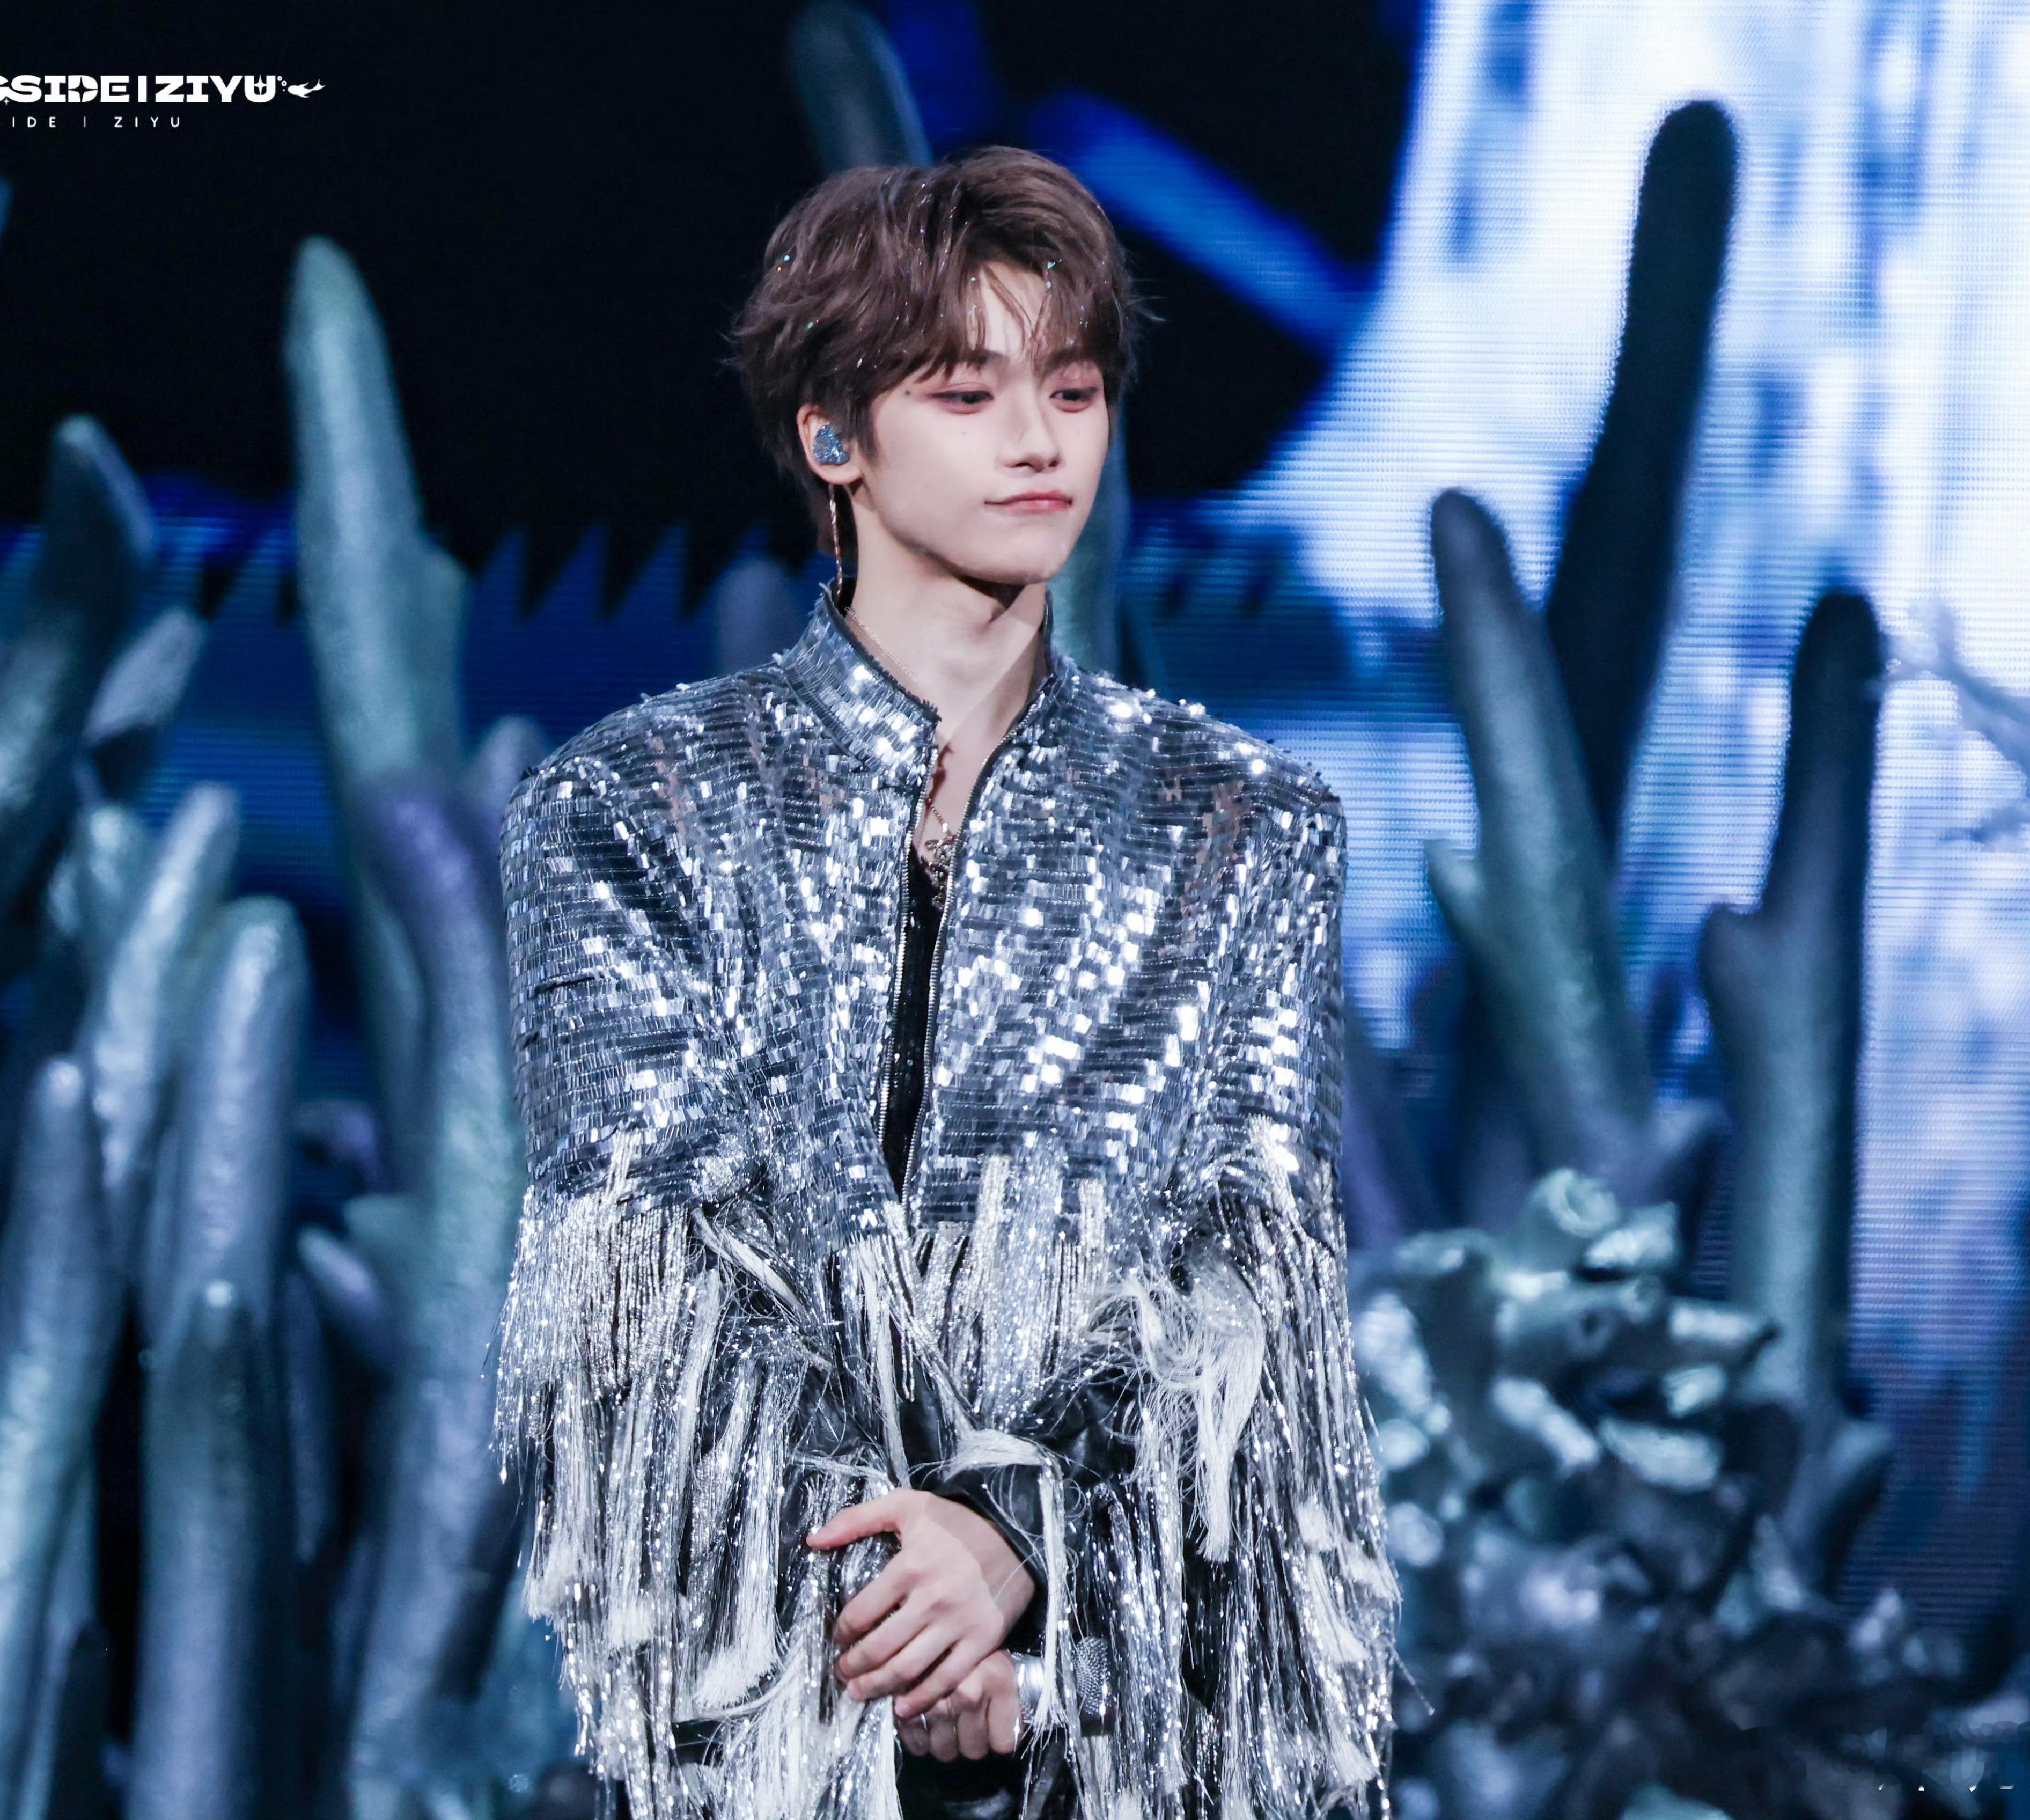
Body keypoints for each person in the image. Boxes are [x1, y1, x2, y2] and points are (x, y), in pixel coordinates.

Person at [494, 145, 1396, 1820]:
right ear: (833, 440)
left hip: (1142, 1732)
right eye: (970, 393)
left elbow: (1254, 1286)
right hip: (760, 1718)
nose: (1041, 441)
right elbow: (655, 1296)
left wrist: (1015, 1547)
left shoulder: (1244, 827)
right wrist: (907, 1613)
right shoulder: (626, 815)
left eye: (1075, 389)